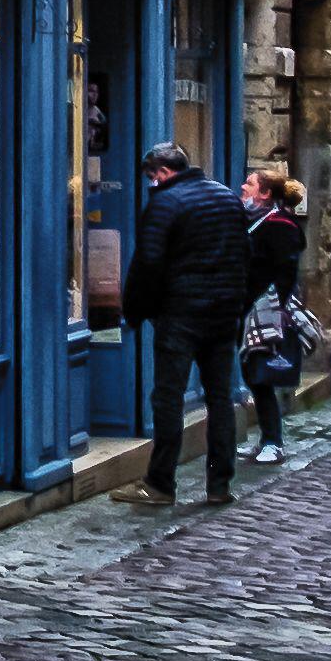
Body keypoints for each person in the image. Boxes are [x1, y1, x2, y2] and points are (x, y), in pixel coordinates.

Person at [128, 139, 252, 506]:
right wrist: (237, 304)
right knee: (219, 398)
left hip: (181, 313)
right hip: (223, 314)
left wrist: (137, 310)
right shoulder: (226, 196)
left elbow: (148, 263)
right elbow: (245, 256)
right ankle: (219, 484)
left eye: (153, 176)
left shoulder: (165, 202)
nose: (152, 183)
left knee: (168, 398)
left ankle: (161, 482)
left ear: (163, 172)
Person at [239, 166, 307, 464]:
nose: (244, 187)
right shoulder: (254, 220)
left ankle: (273, 442)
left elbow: (285, 271)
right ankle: (267, 438)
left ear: (265, 194)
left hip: (265, 312)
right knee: (254, 375)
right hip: (247, 309)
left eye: (251, 184)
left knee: (262, 374)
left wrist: (274, 307)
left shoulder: (280, 225)